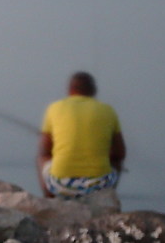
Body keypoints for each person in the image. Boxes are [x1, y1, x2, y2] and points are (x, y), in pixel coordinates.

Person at [39, 71, 126, 205]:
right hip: (99, 185)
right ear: (93, 91)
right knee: (117, 163)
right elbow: (120, 154)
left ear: (70, 90)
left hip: (61, 185)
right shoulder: (108, 110)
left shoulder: (54, 108)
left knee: (43, 158)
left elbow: (45, 151)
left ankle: (50, 198)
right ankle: (107, 197)